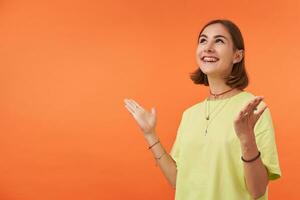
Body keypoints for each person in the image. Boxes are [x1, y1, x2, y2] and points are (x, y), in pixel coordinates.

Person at [123, 19, 281, 200]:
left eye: (219, 41)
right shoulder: (190, 115)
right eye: (203, 40)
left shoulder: (252, 109)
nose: (208, 47)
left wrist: (247, 140)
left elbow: (257, 190)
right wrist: (150, 134)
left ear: (237, 55)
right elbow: (178, 180)